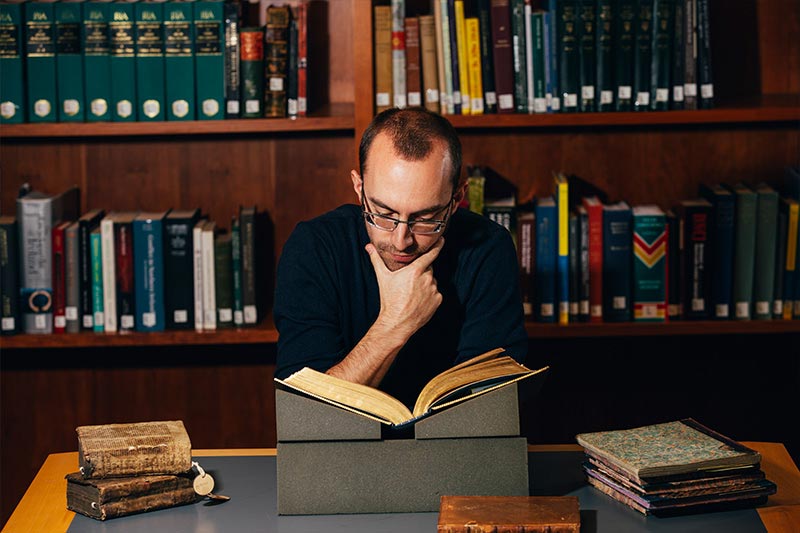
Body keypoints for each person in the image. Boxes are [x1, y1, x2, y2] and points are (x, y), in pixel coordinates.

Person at [274, 107, 527, 409]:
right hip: (343, 456)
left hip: (454, 455)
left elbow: (491, 410)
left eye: (426, 218)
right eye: (383, 213)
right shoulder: (313, 248)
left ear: (456, 200)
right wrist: (395, 324)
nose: (400, 241)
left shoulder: (489, 249)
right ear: (359, 188)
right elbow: (303, 414)